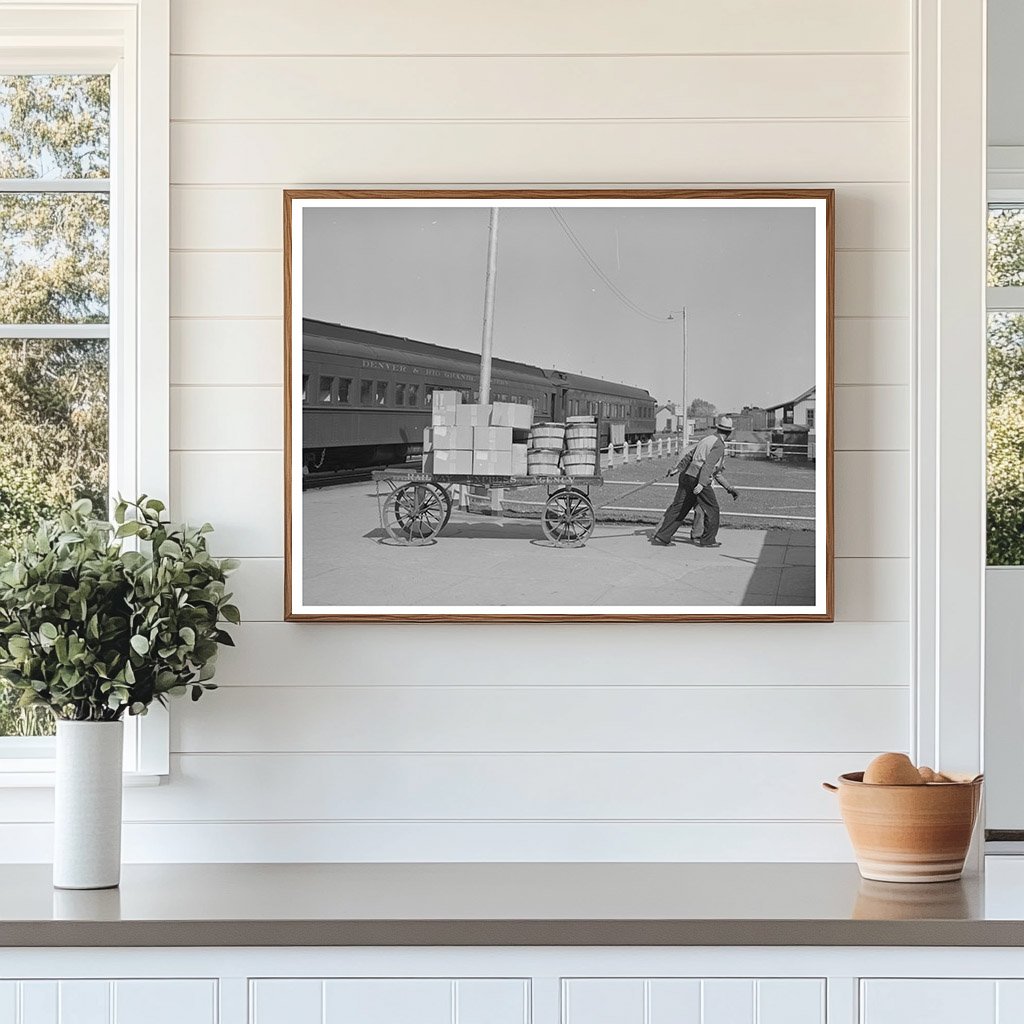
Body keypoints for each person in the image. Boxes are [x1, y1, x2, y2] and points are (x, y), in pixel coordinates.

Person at [651, 416, 740, 548]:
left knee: (680, 508)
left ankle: (662, 537)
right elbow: (708, 465)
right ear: (729, 433)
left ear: (718, 428)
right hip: (698, 478)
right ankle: (708, 540)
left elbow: (690, 456)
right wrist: (701, 484)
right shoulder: (719, 445)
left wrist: (677, 469)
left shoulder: (706, 439)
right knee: (712, 509)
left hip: (687, 475)